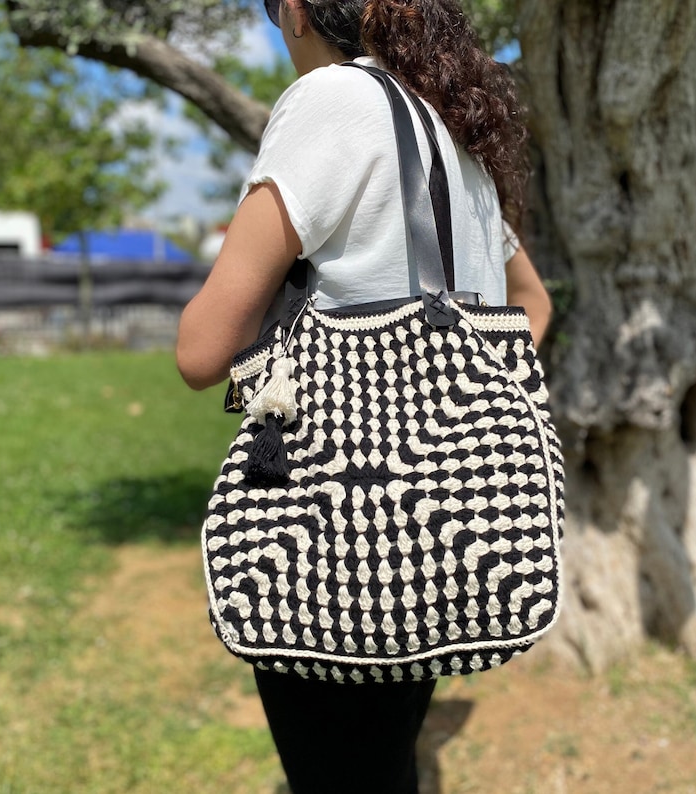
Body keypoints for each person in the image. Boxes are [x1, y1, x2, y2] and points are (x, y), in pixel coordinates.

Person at [177, 1, 552, 792]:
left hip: (329, 524)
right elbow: (532, 302)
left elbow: (202, 350)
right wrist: (474, 392)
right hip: (441, 524)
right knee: (385, 756)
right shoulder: (456, 130)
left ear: (296, 12)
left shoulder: (331, 101)